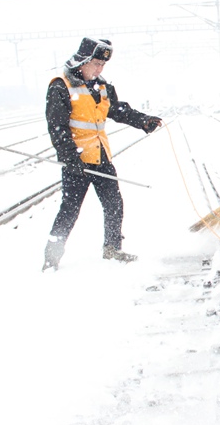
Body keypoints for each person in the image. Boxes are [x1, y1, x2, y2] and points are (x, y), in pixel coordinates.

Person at [42, 37, 162, 271]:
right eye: (96, 64)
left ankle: (112, 249)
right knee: (69, 210)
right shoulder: (61, 86)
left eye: (103, 65)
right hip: (77, 161)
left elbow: (118, 110)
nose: (100, 69)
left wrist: (143, 121)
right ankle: (51, 258)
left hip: (101, 157)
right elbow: (57, 128)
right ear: (83, 61)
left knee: (114, 204)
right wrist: (70, 159)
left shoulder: (102, 87)